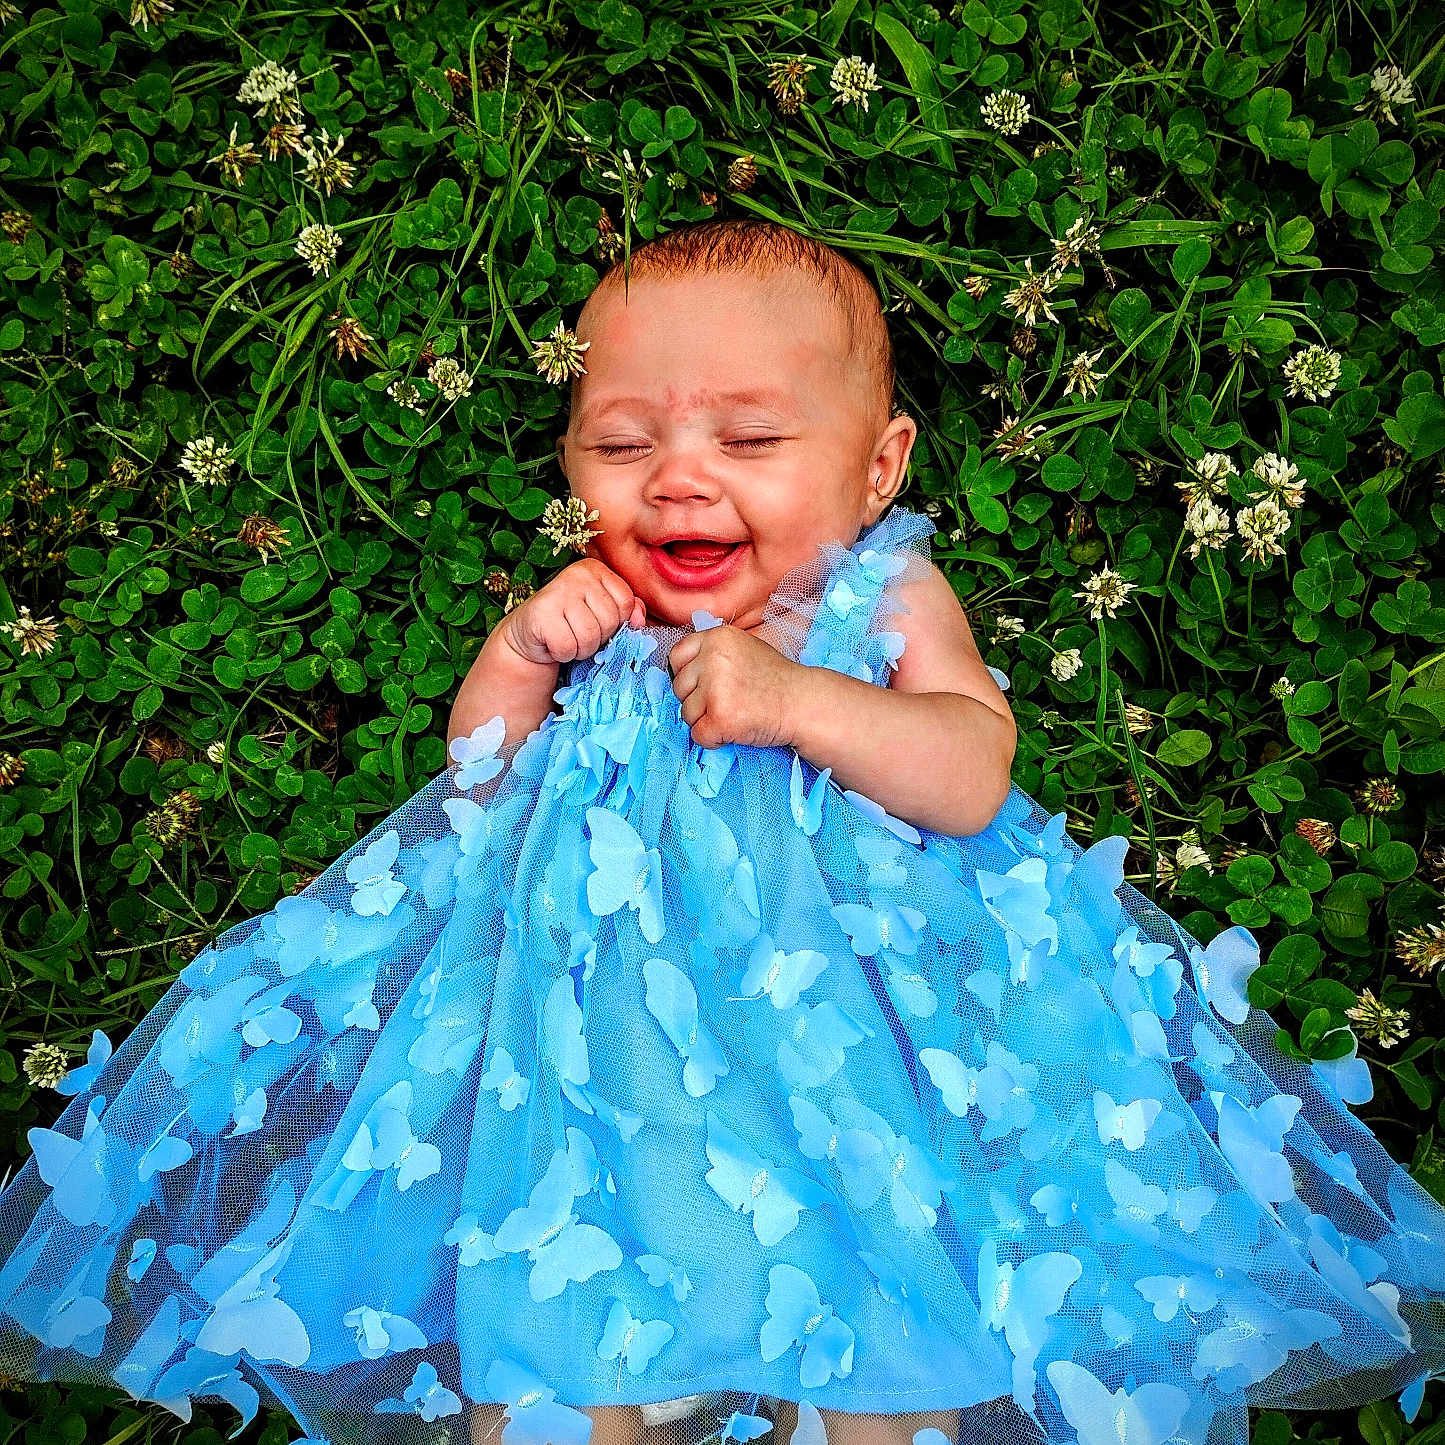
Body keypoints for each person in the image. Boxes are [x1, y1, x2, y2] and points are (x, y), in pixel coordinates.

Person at [1, 218, 1442, 1445]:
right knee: (565, 1317)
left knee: (879, 1324)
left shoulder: (885, 599)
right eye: (621, 443)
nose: (678, 477)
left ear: (877, 468)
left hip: (861, 1077)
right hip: (596, 1066)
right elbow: (480, 786)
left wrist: (802, 701)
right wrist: (519, 653)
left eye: (749, 438)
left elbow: (968, 773)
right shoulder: (603, 610)